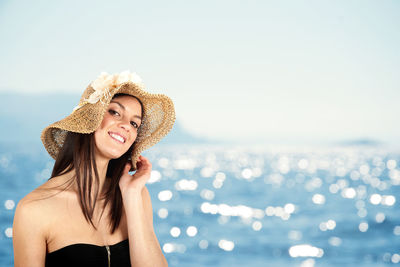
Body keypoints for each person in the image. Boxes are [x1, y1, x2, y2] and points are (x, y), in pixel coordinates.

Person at [12, 71, 175, 267]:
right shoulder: (33, 210)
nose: (126, 126)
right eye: (115, 112)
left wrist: (131, 195)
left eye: (134, 123)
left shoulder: (137, 196)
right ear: (89, 118)